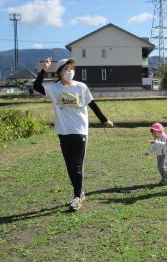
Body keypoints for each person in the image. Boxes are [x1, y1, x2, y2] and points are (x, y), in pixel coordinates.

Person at [33, 57, 113, 211]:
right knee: (70, 166)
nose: (70, 72)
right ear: (59, 72)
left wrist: (104, 120)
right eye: (66, 69)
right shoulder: (54, 88)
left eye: (72, 69)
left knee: (76, 165)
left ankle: (77, 197)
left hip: (80, 130)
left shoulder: (81, 87)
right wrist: (44, 68)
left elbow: (92, 104)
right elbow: (37, 86)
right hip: (63, 131)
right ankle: (80, 192)